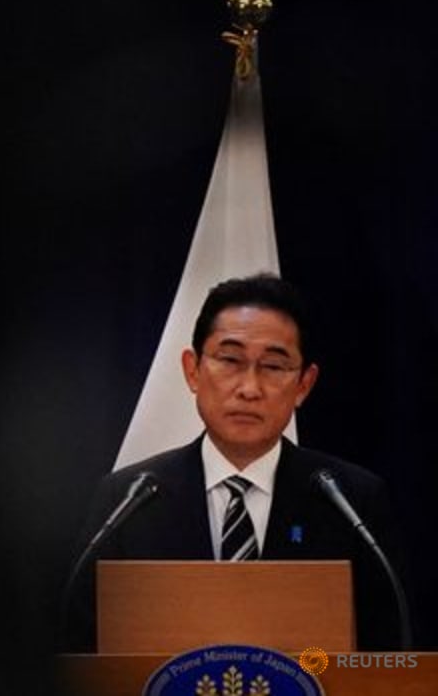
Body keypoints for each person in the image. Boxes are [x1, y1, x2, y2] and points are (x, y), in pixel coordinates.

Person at [63, 273, 410, 652]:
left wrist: (316, 673)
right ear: (193, 370)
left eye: (274, 366)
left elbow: (386, 651)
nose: (249, 389)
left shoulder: (352, 501)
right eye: (229, 360)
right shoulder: (129, 499)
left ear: (304, 385)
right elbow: (81, 649)